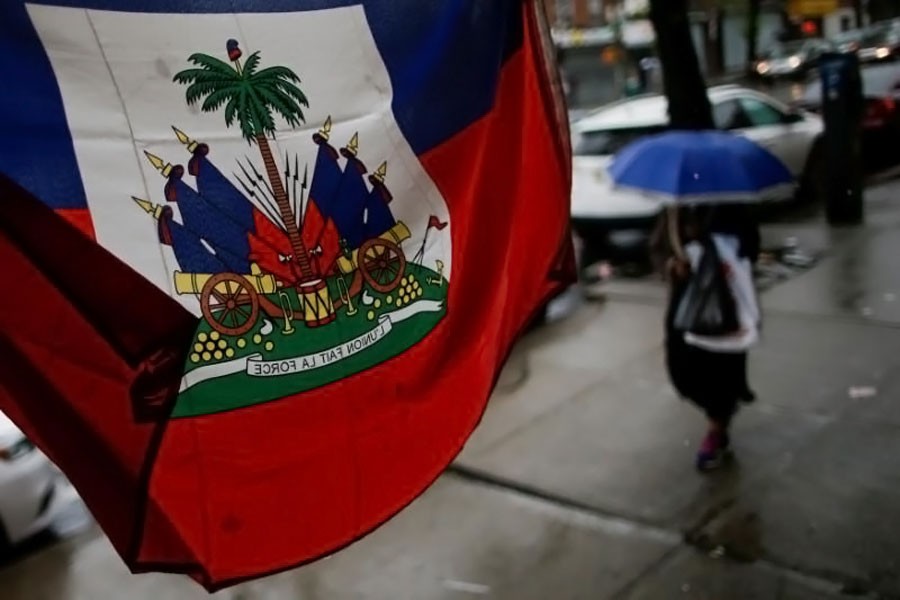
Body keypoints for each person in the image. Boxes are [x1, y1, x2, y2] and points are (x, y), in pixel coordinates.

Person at [650, 204, 761, 471]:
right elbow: (658, 247)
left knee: (721, 369)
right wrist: (672, 266)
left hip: (724, 301)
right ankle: (721, 411)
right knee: (682, 371)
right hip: (686, 303)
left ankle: (717, 427)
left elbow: (750, 245)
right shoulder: (675, 208)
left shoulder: (727, 204)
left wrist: (711, 244)